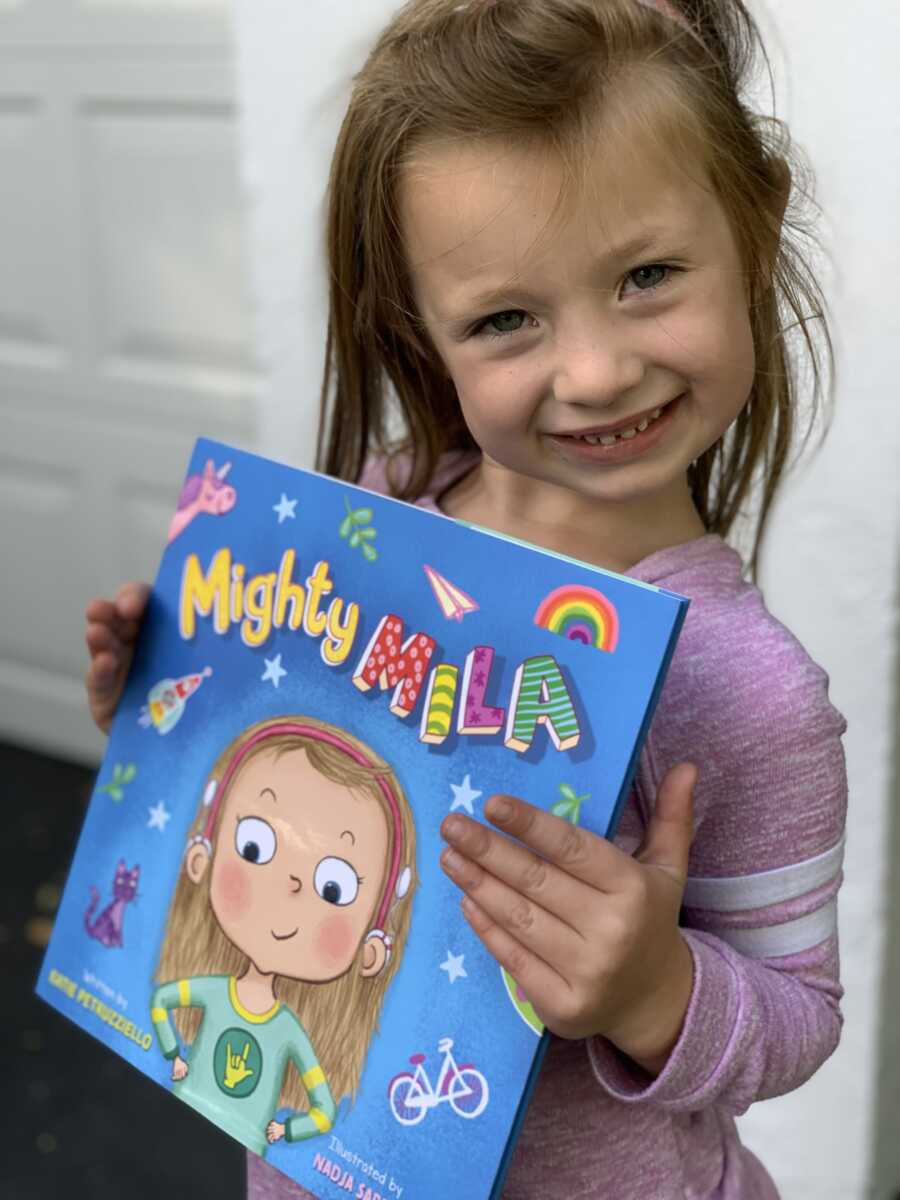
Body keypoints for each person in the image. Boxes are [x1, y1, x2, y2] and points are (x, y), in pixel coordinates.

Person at [83, 0, 848, 1196]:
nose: (595, 370)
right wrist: (174, 703)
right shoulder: (384, 514)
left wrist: (654, 990)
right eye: (505, 319)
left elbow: (798, 1017)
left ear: (757, 232)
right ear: (420, 332)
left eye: (647, 275)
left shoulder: (749, 692)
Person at [147, 716, 416, 1159]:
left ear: (371, 949)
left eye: (335, 887)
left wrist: (285, 1132)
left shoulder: (287, 1029)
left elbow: (323, 1109)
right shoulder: (219, 995)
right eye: (254, 846)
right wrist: (174, 1053)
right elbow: (161, 1003)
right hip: (182, 1122)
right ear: (201, 858)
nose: (290, 885)